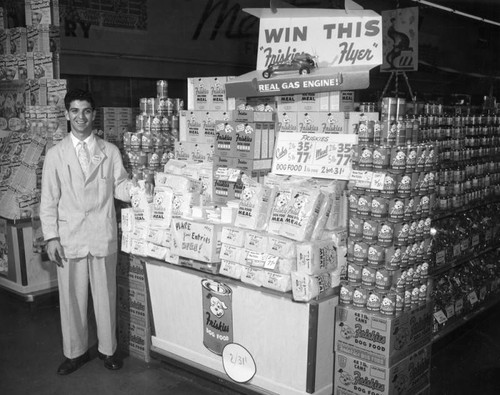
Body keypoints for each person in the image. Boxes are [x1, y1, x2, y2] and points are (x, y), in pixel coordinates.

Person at [40, 89, 132, 375]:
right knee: (71, 299)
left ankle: (109, 350)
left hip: (101, 234)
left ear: (94, 114)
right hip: (69, 238)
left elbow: (120, 186)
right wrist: (51, 237)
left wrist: (142, 190)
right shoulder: (56, 155)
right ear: (67, 114)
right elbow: (48, 199)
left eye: (87, 111)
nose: (81, 117)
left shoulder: (110, 151)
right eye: (75, 111)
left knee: (105, 297)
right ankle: (74, 353)